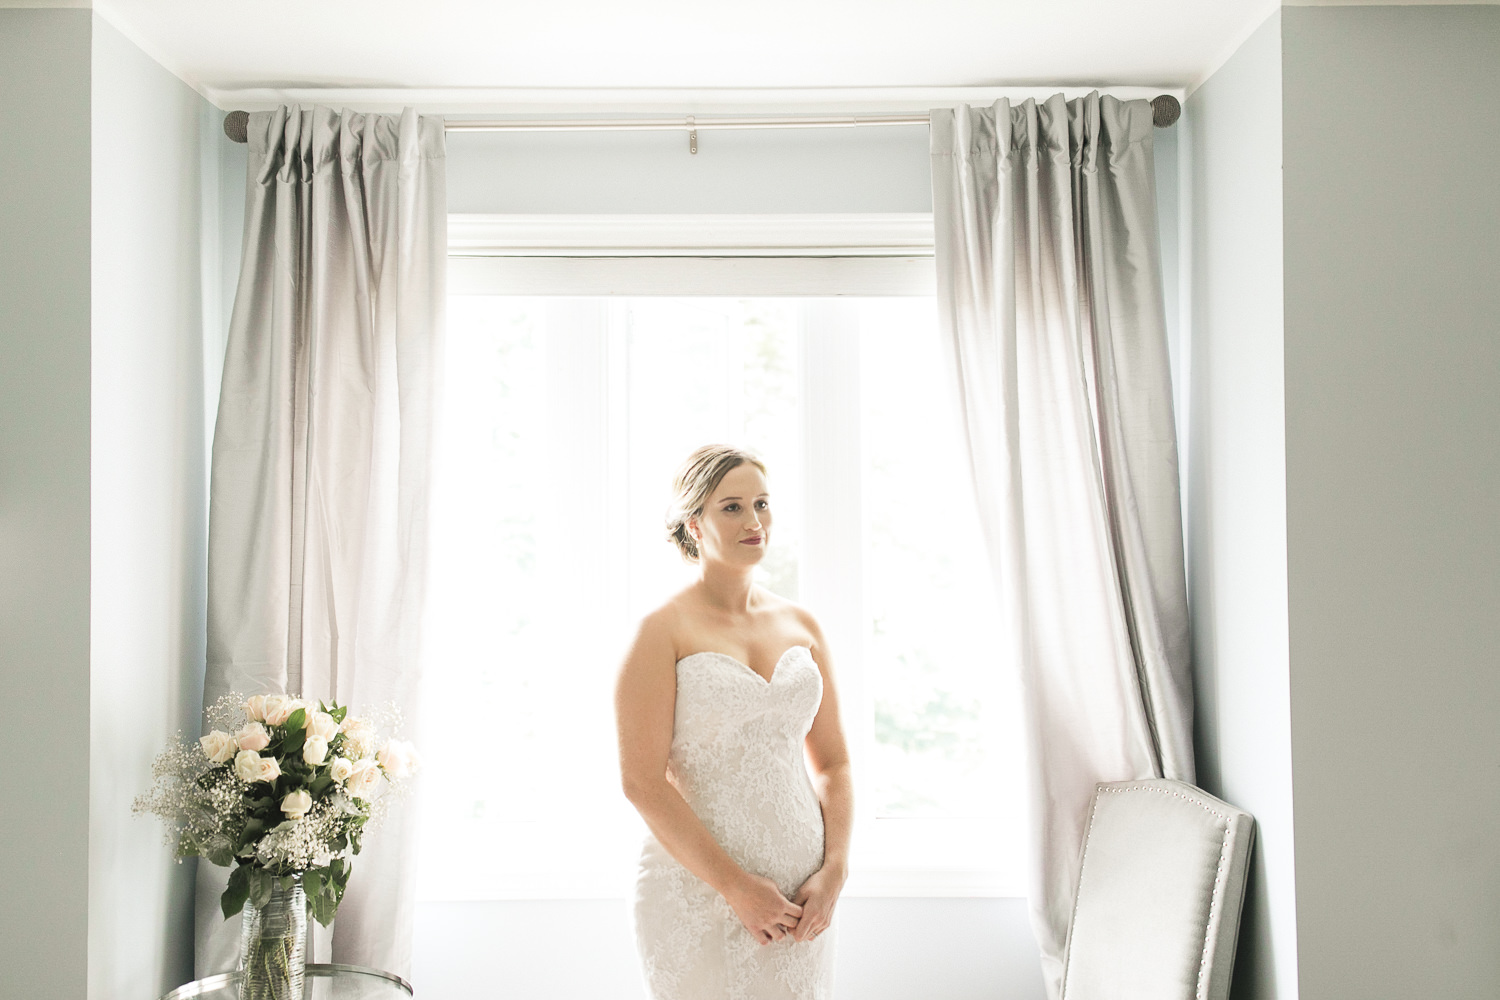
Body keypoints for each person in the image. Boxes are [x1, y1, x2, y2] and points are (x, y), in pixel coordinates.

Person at [616, 444, 853, 1000]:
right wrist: (735, 886)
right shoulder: (660, 631)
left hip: (804, 897)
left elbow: (835, 763)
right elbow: (641, 781)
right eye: (732, 507)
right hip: (696, 894)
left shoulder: (803, 625)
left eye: (762, 504)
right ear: (694, 523)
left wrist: (835, 868)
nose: (754, 521)